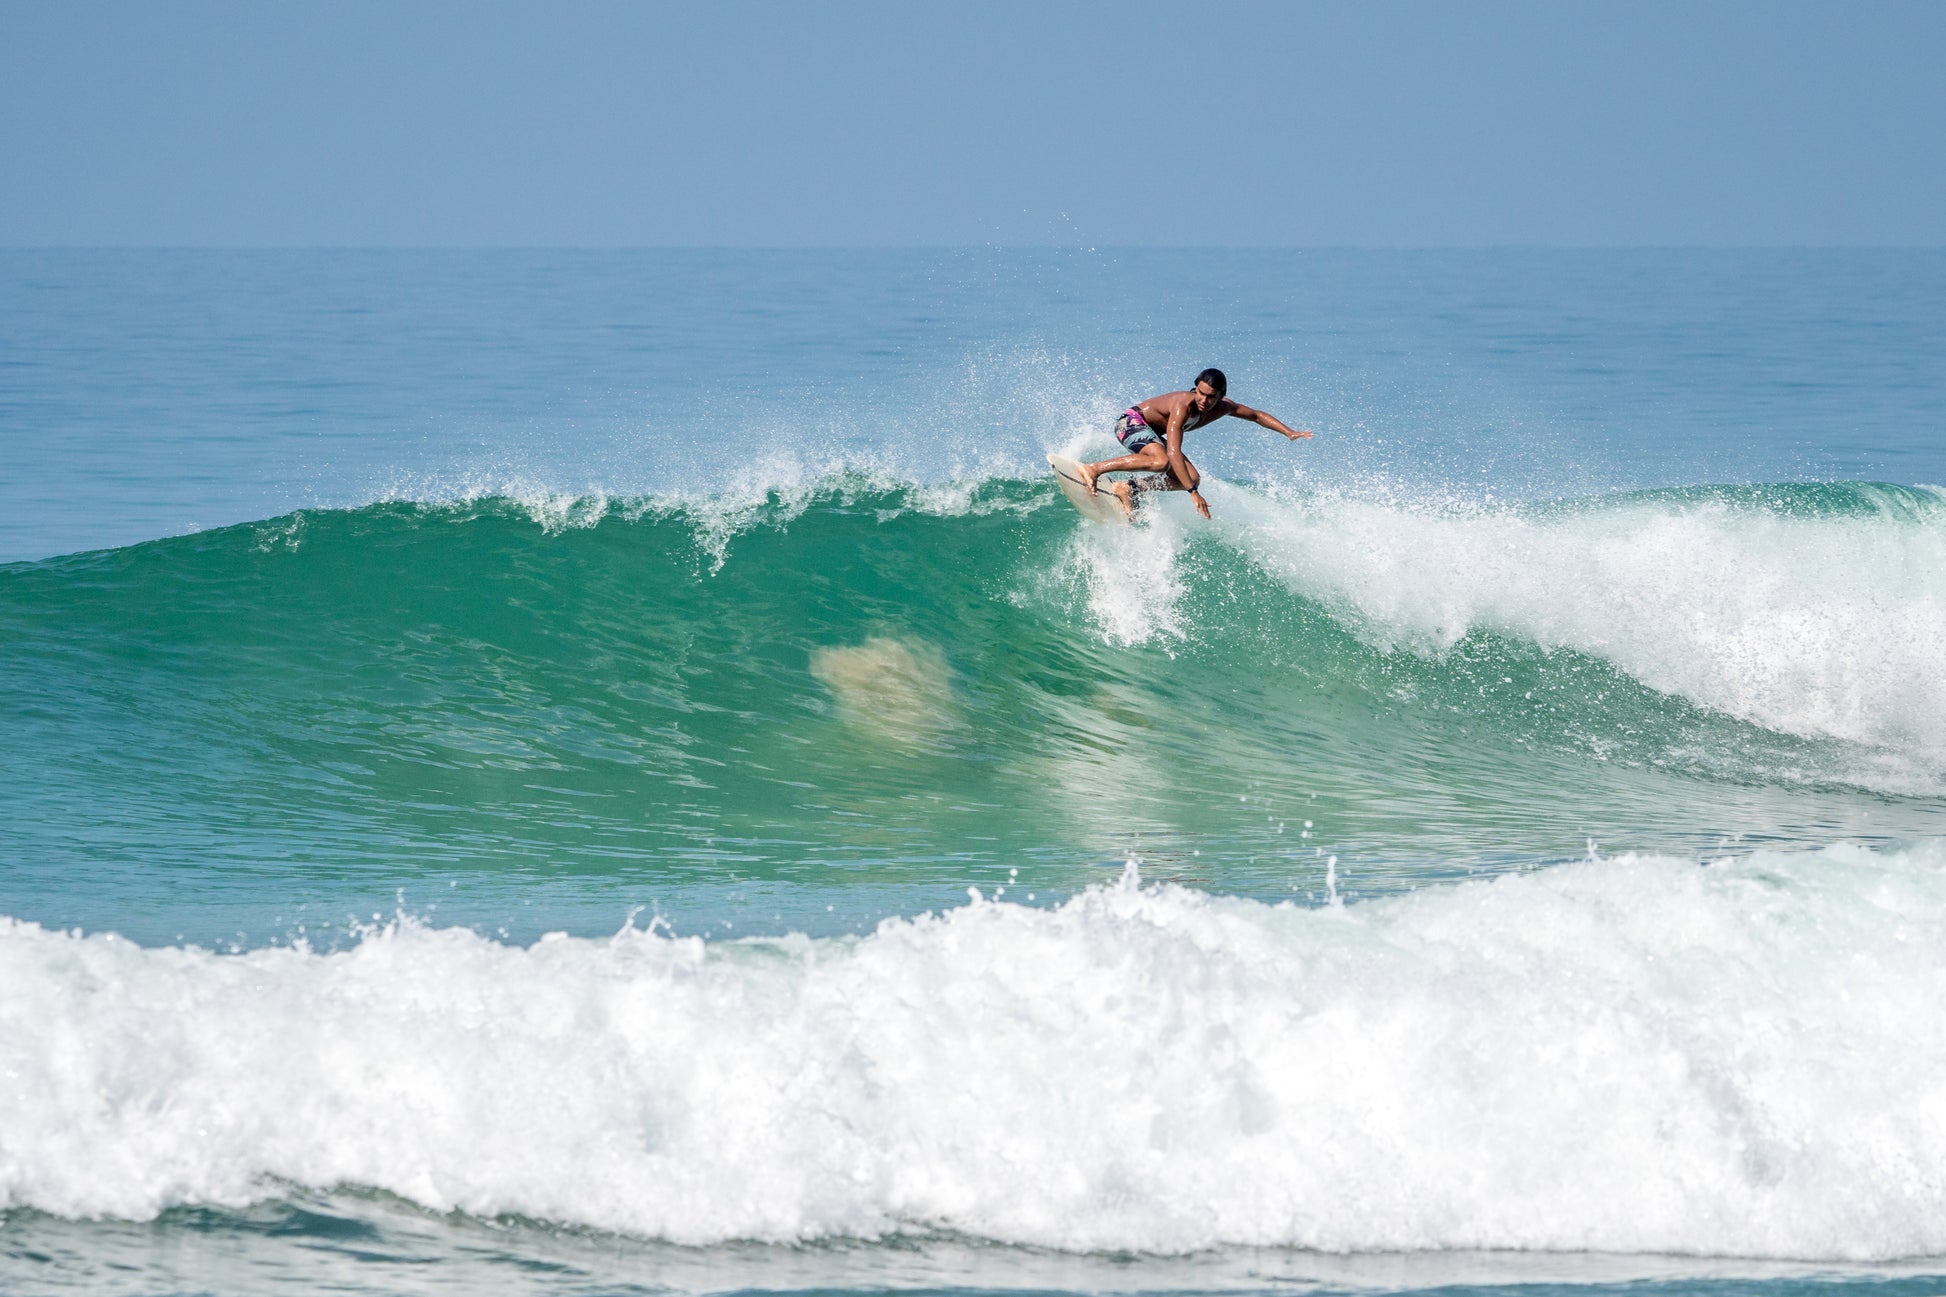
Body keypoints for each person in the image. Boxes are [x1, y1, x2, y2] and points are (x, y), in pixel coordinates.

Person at [1077, 369, 1311, 518]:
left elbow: (1256, 415)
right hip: (1131, 422)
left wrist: (1289, 432)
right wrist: (1192, 494)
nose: (1203, 400)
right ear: (1196, 387)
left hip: (1151, 433)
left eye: (1210, 396)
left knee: (1190, 477)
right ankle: (1094, 468)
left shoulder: (1225, 407)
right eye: (1200, 393)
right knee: (1162, 462)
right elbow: (1174, 450)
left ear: (1220, 396)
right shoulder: (1182, 406)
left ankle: (1129, 488)